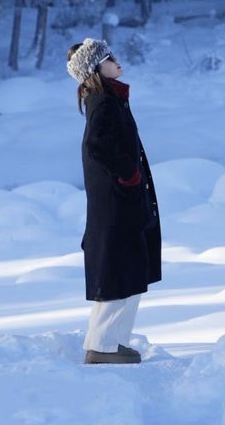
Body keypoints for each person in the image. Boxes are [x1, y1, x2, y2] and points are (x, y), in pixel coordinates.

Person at [67, 37, 162, 365]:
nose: (116, 61)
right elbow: (98, 145)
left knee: (130, 272)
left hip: (121, 204)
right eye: (109, 58)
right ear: (95, 67)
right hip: (115, 205)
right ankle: (102, 347)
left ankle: (113, 342)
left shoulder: (110, 99)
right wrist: (128, 175)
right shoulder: (104, 102)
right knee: (118, 273)